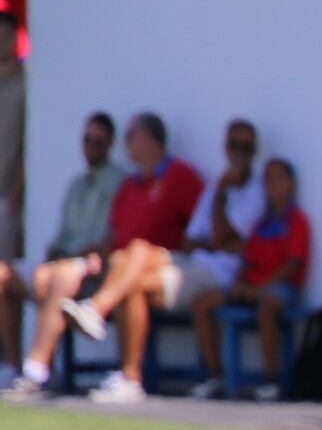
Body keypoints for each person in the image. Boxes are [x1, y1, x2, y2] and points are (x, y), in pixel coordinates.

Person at [59, 118, 262, 403]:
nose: (238, 151)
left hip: (217, 274)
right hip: (193, 261)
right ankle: (98, 315)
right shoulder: (215, 186)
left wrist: (220, 203)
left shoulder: (255, 192)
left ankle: (126, 371)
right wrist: (214, 238)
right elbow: (193, 239)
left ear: (254, 151)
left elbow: (220, 237)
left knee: (133, 282)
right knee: (132, 253)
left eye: (245, 146)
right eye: (233, 144)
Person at [2, 112, 201, 402]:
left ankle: (41, 367)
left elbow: (199, 231)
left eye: (130, 137)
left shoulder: (180, 177)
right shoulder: (130, 186)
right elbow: (114, 235)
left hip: (159, 262)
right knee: (55, 275)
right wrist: (95, 254)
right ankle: (27, 368)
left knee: (130, 256)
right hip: (115, 262)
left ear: (148, 138)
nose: (126, 144)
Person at [0, 111, 123, 390]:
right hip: (63, 260)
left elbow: (109, 238)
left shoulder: (118, 182)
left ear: (110, 145)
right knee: (4, 274)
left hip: (90, 265)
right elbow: (61, 236)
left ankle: (37, 369)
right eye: (87, 139)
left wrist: (81, 256)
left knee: (58, 277)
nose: (91, 146)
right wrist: (54, 253)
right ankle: (11, 364)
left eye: (98, 142)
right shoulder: (76, 186)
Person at [189, 157, 310, 401]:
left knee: (267, 308)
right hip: (251, 288)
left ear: (291, 184)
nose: (272, 185)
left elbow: (292, 265)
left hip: (280, 290)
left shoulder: (297, 221)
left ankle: (271, 381)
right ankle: (215, 376)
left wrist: (264, 287)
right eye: (267, 180)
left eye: (278, 179)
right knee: (201, 304)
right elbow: (247, 262)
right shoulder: (261, 225)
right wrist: (239, 283)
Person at [0, 11, 25, 266]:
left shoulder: (25, 83)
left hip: (7, 192)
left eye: (6, 36)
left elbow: (28, 141)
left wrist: (16, 190)